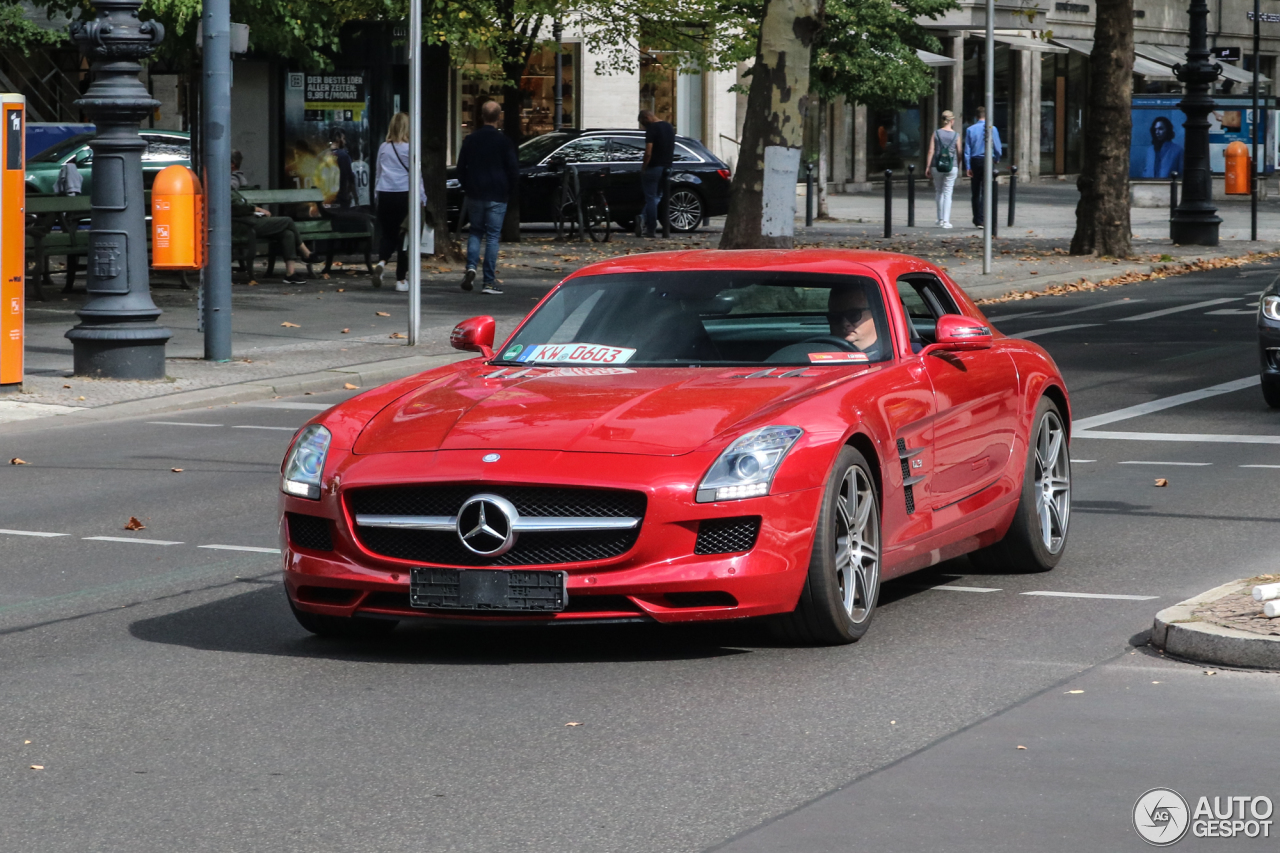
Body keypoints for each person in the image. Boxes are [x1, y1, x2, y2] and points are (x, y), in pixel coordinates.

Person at [456, 100, 519, 295]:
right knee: (492, 237)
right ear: (499, 117)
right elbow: (513, 169)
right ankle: (489, 282)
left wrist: (467, 186)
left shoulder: (471, 140)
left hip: (475, 192)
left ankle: (471, 267)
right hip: (497, 194)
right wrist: (509, 189)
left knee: (475, 232)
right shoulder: (504, 142)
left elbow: (460, 168)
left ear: (481, 116)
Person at [373, 112, 425, 292]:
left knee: (388, 234)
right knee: (405, 239)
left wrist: (376, 195)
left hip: (385, 194)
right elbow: (416, 177)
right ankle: (401, 279)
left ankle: (381, 262)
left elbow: (378, 173)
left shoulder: (383, 148)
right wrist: (422, 198)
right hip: (405, 195)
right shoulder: (410, 149)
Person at [231, 187, 313, 286]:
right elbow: (237, 206)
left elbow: (241, 205)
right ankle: (306, 253)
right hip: (243, 225)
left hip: (251, 220)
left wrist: (255, 211)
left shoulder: (228, 186)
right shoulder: (219, 185)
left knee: (288, 234)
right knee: (287, 221)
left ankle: (290, 274)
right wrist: (255, 209)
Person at [638, 109, 675, 238]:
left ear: (647, 117)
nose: (644, 126)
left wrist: (644, 167)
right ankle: (646, 219)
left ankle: (650, 228)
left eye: (644, 123)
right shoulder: (669, 127)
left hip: (654, 167)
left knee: (650, 197)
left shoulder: (652, 129)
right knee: (658, 196)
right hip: (667, 166)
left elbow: (648, 151)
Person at [964, 106, 1002, 228]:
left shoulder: (970, 129)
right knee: (986, 190)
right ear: (987, 116)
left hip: (975, 160)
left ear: (976, 117)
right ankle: (985, 218)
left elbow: (967, 150)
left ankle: (977, 219)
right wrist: (996, 158)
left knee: (975, 191)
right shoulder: (992, 129)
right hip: (987, 159)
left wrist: (968, 166)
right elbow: (997, 147)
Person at [924, 110, 962, 229]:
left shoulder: (936, 133)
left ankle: (940, 219)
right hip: (952, 166)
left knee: (939, 191)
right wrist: (958, 164)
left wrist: (928, 166)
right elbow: (959, 152)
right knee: (948, 192)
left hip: (937, 165)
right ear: (951, 121)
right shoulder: (956, 135)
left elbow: (931, 150)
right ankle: (946, 221)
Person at [827, 286, 882, 360]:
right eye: (835, 316)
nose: (844, 323)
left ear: (875, 314)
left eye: (853, 314)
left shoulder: (890, 355)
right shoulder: (817, 352)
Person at [328, 127, 356, 208]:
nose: (345, 142)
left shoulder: (322, 155)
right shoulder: (344, 156)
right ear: (337, 138)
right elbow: (350, 178)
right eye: (343, 139)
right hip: (340, 198)